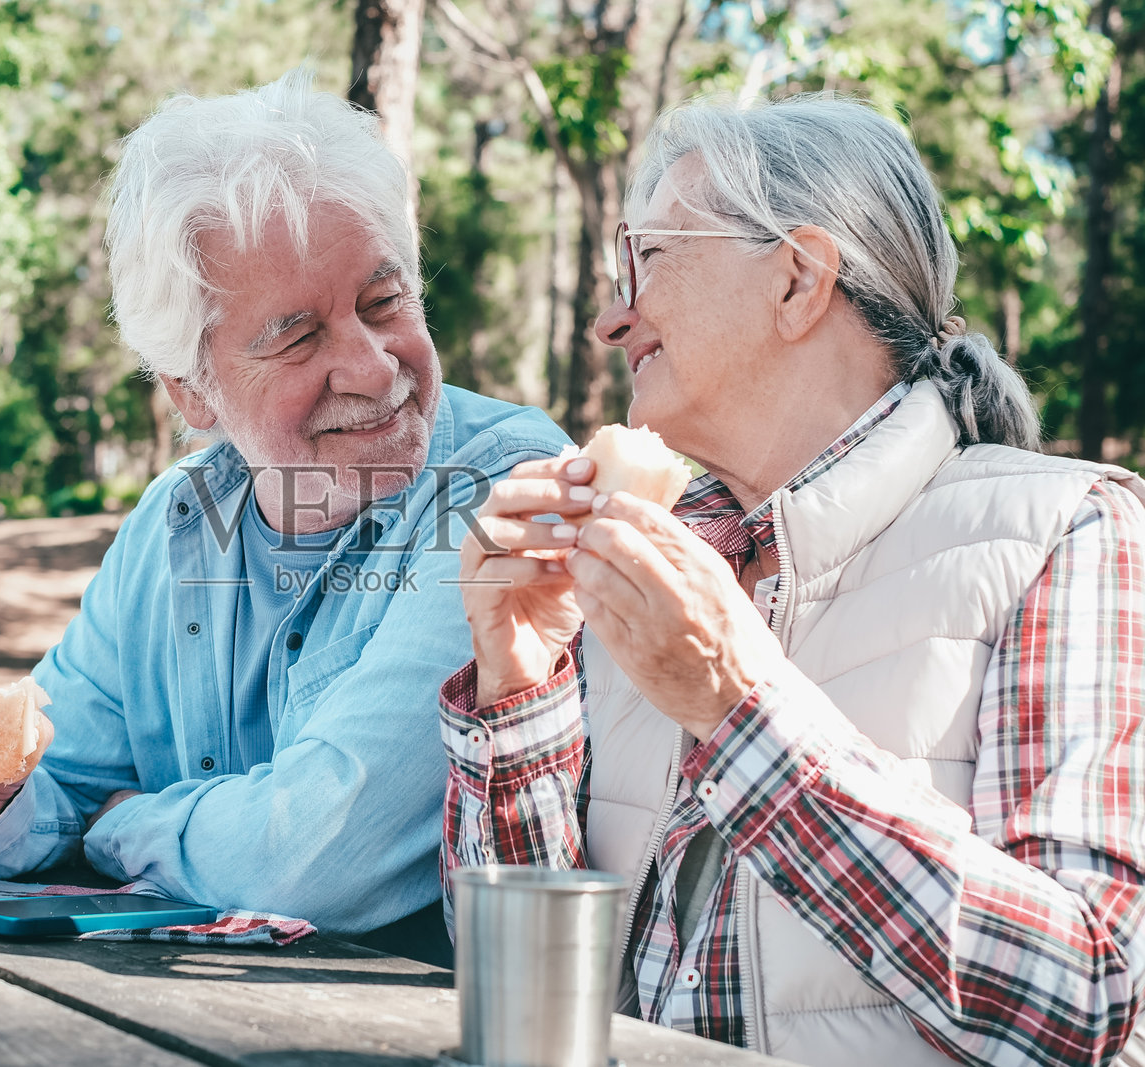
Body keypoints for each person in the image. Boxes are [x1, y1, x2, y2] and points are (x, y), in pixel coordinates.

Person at [443, 93, 1145, 1065]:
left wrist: (739, 705)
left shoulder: (1066, 533)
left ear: (798, 279)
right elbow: (521, 999)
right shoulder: (639, 565)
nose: (609, 318)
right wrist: (517, 686)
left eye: (644, 258)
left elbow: (1084, 1004)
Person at [0, 69, 568, 965]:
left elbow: (318, 860)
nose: (372, 366)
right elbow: (53, 779)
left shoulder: (505, 489)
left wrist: (121, 829)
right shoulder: (179, 518)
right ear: (191, 388)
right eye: (298, 338)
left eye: (383, 302)